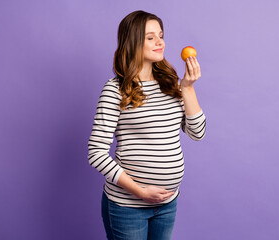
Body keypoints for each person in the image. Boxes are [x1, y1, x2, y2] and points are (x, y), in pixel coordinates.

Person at [88, 10, 206, 240]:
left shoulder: (170, 84)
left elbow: (197, 133)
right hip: (127, 205)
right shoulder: (115, 90)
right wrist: (140, 191)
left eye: (160, 35)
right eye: (150, 37)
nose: (159, 42)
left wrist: (188, 87)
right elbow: (96, 153)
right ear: (132, 42)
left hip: (168, 203)